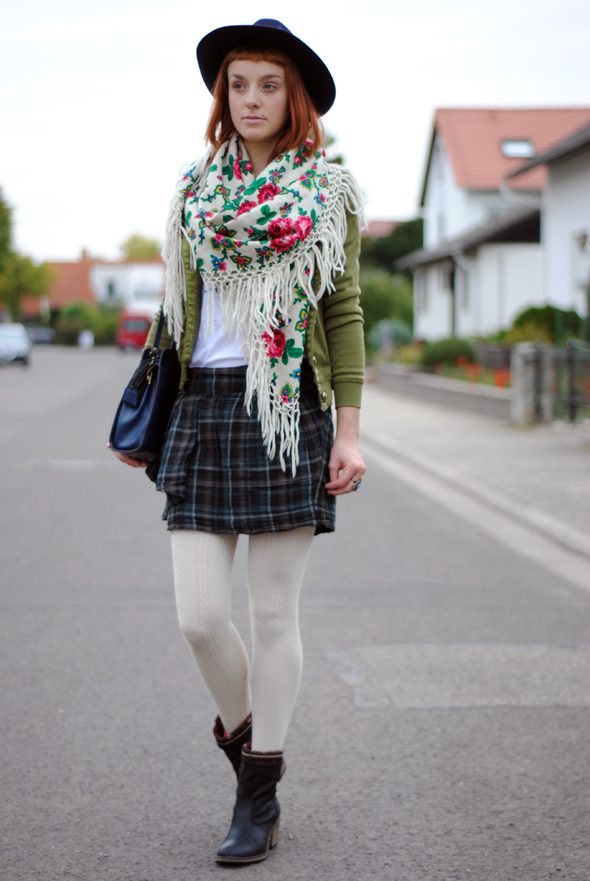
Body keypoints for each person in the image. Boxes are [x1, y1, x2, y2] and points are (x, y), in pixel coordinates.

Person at [112, 18, 366, 866]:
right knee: (198, 618)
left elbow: (343, 312)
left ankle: (257, 793)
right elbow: (174, 313)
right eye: (237, 84)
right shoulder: (195, 193)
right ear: (222, 96)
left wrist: (352, 433)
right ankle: (254, 748)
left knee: (273, 613)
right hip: (207, 408)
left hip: (289, 405)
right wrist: (149, 407)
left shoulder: (328, 193)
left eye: (267, 85)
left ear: (294, 98)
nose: (250, 99)